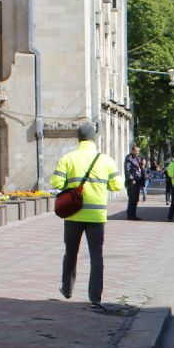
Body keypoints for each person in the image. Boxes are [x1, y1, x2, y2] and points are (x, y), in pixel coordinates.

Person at [51, 122, 122, 312]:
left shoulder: (68, 158)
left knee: (71, 253)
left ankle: (67, 289)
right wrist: (100, 186)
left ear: (78, 138)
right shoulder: (106, 160)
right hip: (97, 215)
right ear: (94, 138)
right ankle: (95, 298)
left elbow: (56, 181)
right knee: (96, 256)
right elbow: (117, 186)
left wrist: (71, 186)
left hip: (73, 215)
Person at [123, 143, 145, 220]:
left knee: (136, 199)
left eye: (138, 151)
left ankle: (134, 215)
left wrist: (143, 165)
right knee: (132, 198)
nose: (137, 152)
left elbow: (140, 169)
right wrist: (131, 179)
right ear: (132, 150)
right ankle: (130, 215)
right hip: (132, 182)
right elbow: (127, 170)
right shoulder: (129, 158)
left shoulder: (137, 158)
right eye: (136, 151)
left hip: (138, 181)